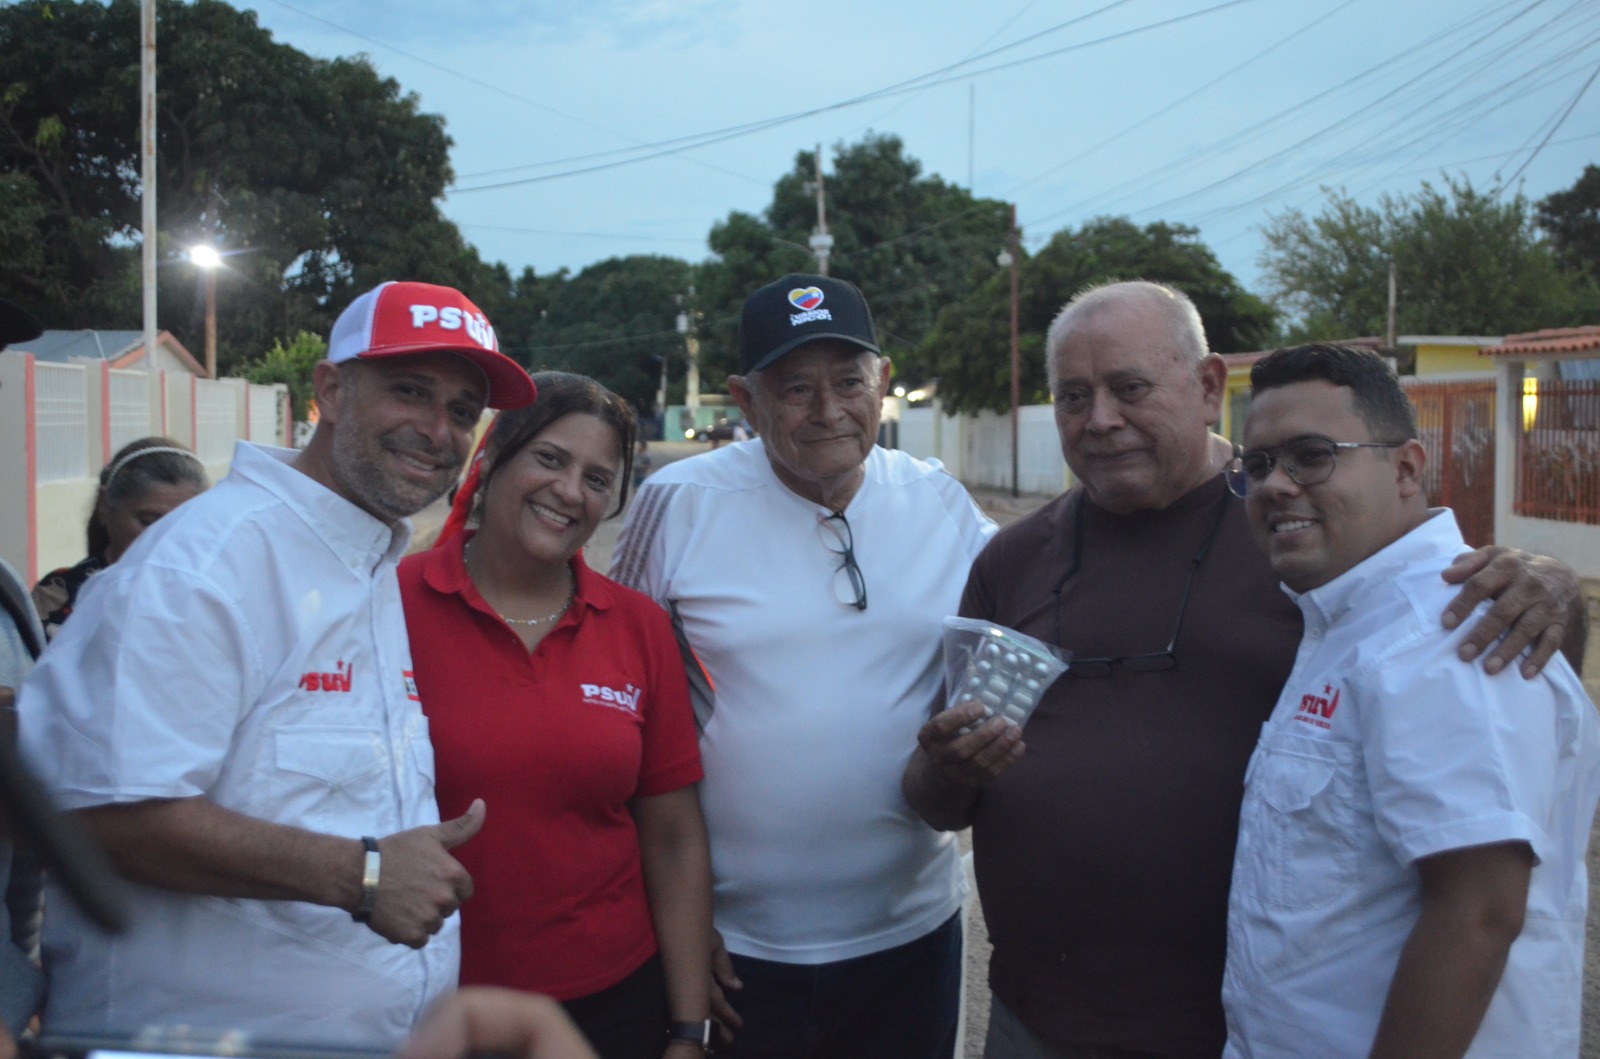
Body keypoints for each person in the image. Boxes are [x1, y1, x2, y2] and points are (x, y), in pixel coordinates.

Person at [902, 281, 1586, 1059]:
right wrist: (942, 765)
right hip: (1037, 1024)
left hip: (1240, 1032)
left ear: (1205, 386)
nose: (1100, 420)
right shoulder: (1011, 562)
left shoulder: (1308, 541)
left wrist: (1556, 587)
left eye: (1130, 388)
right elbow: (934, 797)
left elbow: (1483, 872)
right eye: (1072, 397)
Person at [18, 280, 536, 1048]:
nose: (437, 429)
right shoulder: (207, 564)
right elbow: (99, 815)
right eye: (409, 391)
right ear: (329, 388)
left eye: (462, 410)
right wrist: (358, 875)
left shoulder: (363, 559)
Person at [610, 273, 996, 1059]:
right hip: (740, 950)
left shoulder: (941, 502)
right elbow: (613, 699)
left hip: (913, 935)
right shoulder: (679, 501)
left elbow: (1050, 591)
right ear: (743, 402)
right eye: (796, 389)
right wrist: (669, 929)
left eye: (849, 381)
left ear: (882, 381)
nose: (829, 411)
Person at [1221, 344, 1600, 1058]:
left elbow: (1480, 911)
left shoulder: (1446, 635)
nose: (1276, 485)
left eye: (1311, 455)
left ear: (1406, 469)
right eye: (1260, 464)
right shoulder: (1346, 624)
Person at [400, 372, 714, 1059]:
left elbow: (674, 838)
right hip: (429, 1004)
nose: (571, 491)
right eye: (549, 458)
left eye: (598, 478)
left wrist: (690, 1029)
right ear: (492, 458)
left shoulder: (637, 627)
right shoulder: (391, 603)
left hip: (612, 1006)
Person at [32, 437, 207, 639]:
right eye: (148, 522)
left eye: (182, 525)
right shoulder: (58, 596)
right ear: (104, 505)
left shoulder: (212, 600)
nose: (164, 539)